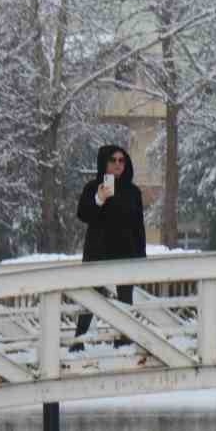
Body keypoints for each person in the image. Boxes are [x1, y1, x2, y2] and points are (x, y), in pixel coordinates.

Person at [73, 144, 147, 346]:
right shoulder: (92, 187)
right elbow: (83, 215)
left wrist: (141, 255)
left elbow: (138, 226)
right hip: (98, 253)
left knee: (125, 301)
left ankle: (123, 341)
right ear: (104, 163)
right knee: (90, 298)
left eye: (121, 160)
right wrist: (99, 199)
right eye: (113, 160)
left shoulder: (133, 192)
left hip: (126, 254)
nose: (117, 164)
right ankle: (78, 342)